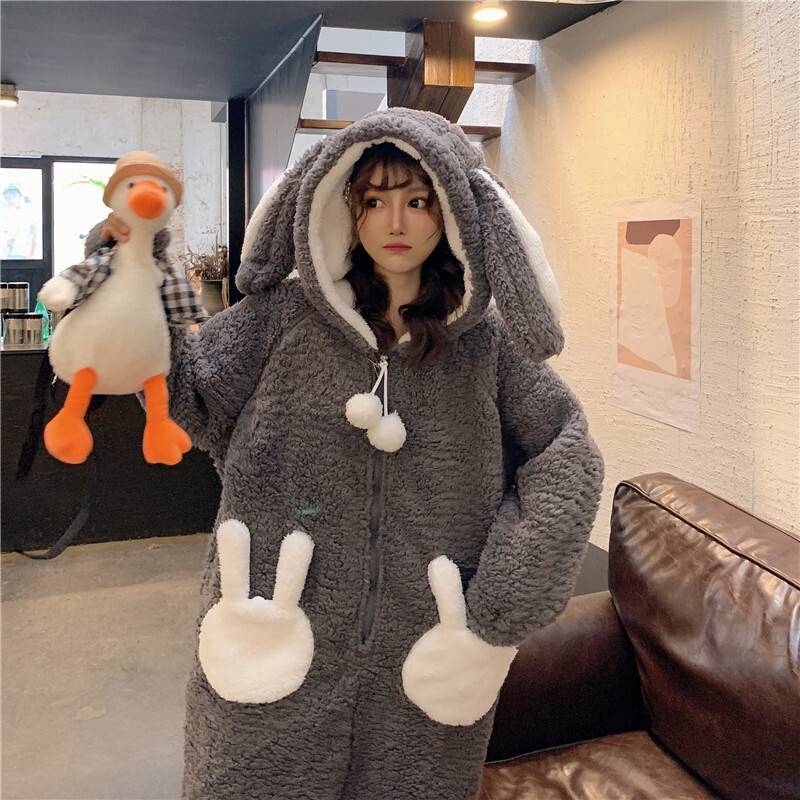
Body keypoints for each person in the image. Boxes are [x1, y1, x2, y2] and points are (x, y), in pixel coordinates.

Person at [85, 107, 604, 800]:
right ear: (345, 208)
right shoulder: (282, 318)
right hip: (268, 619)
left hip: (429, 650)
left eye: (417, 201)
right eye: (374, 201)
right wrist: (132, 278)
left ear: (452, 211)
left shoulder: (487, 346)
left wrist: (500, 606)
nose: (395, 223)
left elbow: (568, 453)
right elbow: (190, 396)